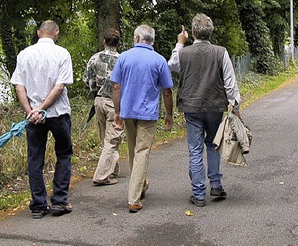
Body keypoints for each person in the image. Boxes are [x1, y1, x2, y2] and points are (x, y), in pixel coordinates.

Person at [167, 13, 241, 208]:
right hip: (215, 105)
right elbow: (230, 82)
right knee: (213, 144)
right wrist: (236, 106)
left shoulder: (183, 53)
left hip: (191, 106)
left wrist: (179, 43)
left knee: (195, 148)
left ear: (192, 33)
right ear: (210, 32)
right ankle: (215, 184)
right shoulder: (221, 52)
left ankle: (198, 193)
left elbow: (172, 65)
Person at [10, 20, 74, 219]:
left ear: (39, 33)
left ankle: (38, 205)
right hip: (58, 113)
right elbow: (60, 86)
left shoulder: (24, 54)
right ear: (56, 33)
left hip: (33, 118)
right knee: (63, 154)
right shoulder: (62, 54)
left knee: (35, 158)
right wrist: (42, 108)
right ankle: (59, 201)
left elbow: (19, 86)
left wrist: (31, 111)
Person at [111, 24, 174, 213]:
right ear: (151, 40)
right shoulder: (159, 60)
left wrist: (117, 112)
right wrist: (169, 114)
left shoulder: (124, 58)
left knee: (133, 151)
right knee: (142, 152)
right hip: (148, 113)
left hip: (128, 111)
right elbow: (167, 91)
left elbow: (116, 87)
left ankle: (140, 184)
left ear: (137, 38)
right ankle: (134, 198)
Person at [83, 28, 124, 186]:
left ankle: (112, 169)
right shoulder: (122, 60)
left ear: (104, 41)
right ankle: (101, 175)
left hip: (99, 100)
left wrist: (95, 88)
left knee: (105, 138)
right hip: (115, 103)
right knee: (113, 139)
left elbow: (87, 80)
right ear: (118, 43)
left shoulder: (94, 58)